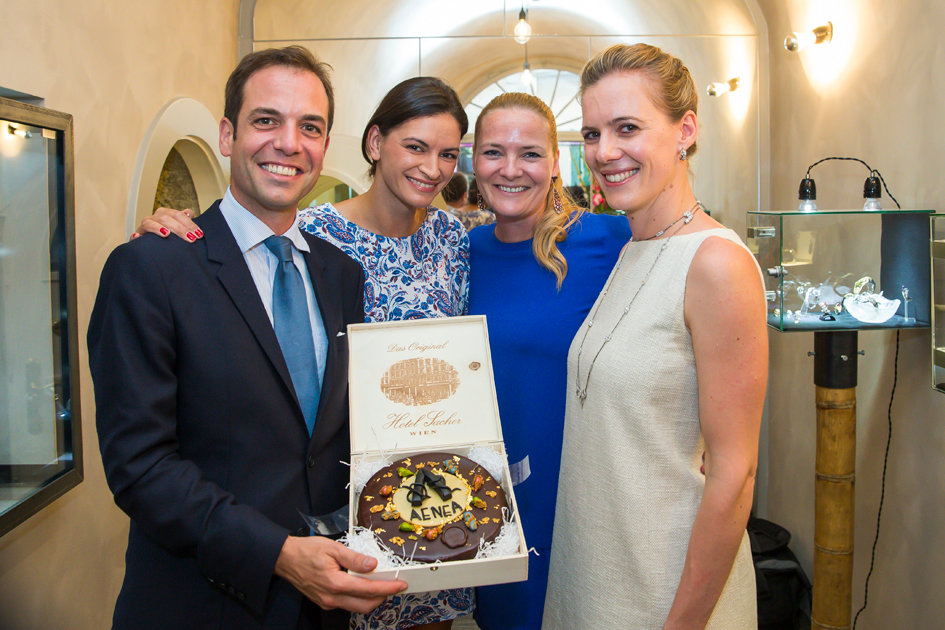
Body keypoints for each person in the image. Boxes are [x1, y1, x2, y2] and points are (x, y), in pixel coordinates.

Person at [135, 75, 471, 630]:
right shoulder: (310, 235)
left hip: (425, 497)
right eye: (415, 147)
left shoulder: (452, 238)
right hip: (294, 541)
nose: (432, 168)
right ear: (374, 143)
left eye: (448, 155)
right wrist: (171, 231)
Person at [88, 46, 406, 630]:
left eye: (309, 126)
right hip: (202, 605)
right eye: (267, 120)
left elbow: (334, 441)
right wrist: (280, 556)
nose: (289, 143)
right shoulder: (152, 268)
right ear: (228, 135)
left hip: (323, 609)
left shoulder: (340, 275)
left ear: (325, 146)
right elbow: (141, 468)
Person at [543, 43, 766, 629]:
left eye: (627, 128)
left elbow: (734, 474)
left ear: (685, 130)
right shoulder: (634, 246)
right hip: (597, 574)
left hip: (668, 592)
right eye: (592, 134)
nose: (604, 152)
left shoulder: (716, 264)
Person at [466, 92, 632, 630]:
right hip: (494, 499)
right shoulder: (457, 252)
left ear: (556, 162)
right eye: (494, 152)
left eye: (530, 153)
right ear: (472, 158)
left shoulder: (611, 240)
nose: (511, 169)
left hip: (586, 489)